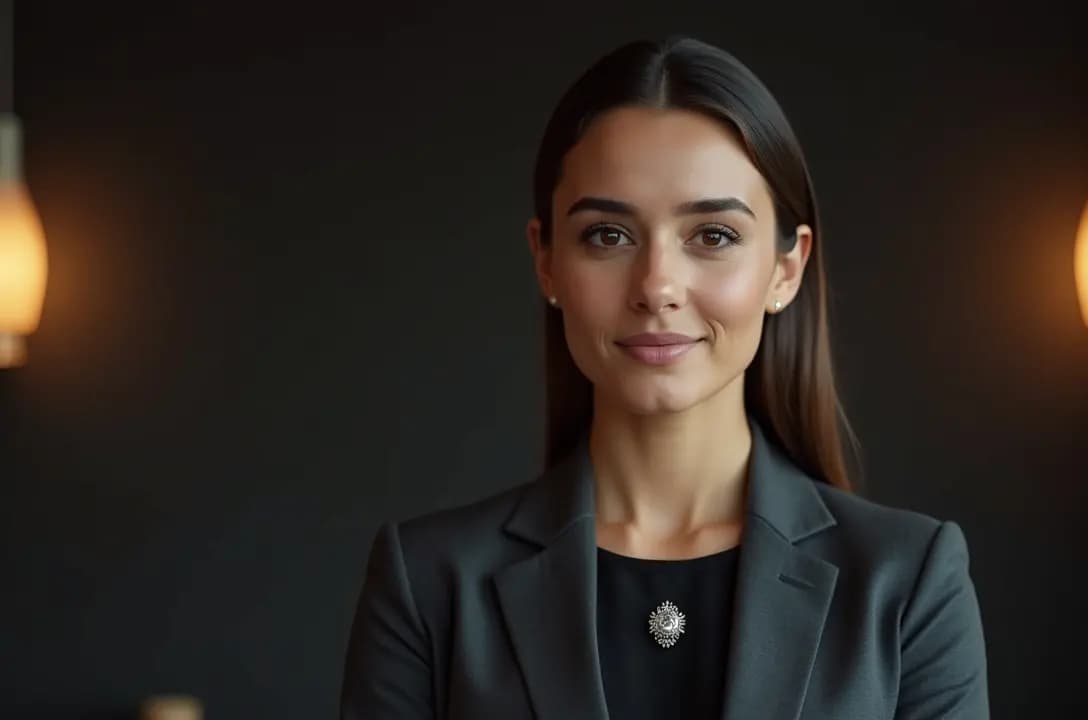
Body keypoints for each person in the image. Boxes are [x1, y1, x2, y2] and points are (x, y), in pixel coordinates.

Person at [339, 36, 989, 719]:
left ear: (786, 269)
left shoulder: (906, 580)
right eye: (608, 236)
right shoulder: (432, 583)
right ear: (546, 261)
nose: (656, 287)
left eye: (712, 235)